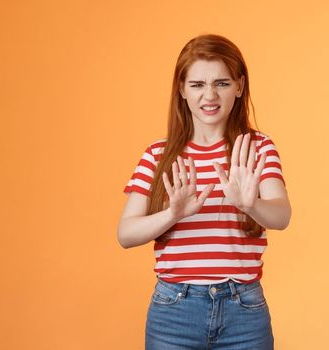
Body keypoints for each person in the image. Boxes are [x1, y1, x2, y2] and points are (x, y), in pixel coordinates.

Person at [117, 34, 292, 350]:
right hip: (174, 310)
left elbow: (281, 215)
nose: (209, 95)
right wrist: (172, 214)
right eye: (197, 84)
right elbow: (126, 234)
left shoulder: (257, 147)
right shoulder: (158, 155)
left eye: (222, 83)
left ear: (239, 86)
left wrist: (250, 204)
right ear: (182, 90)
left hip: (244, 310)